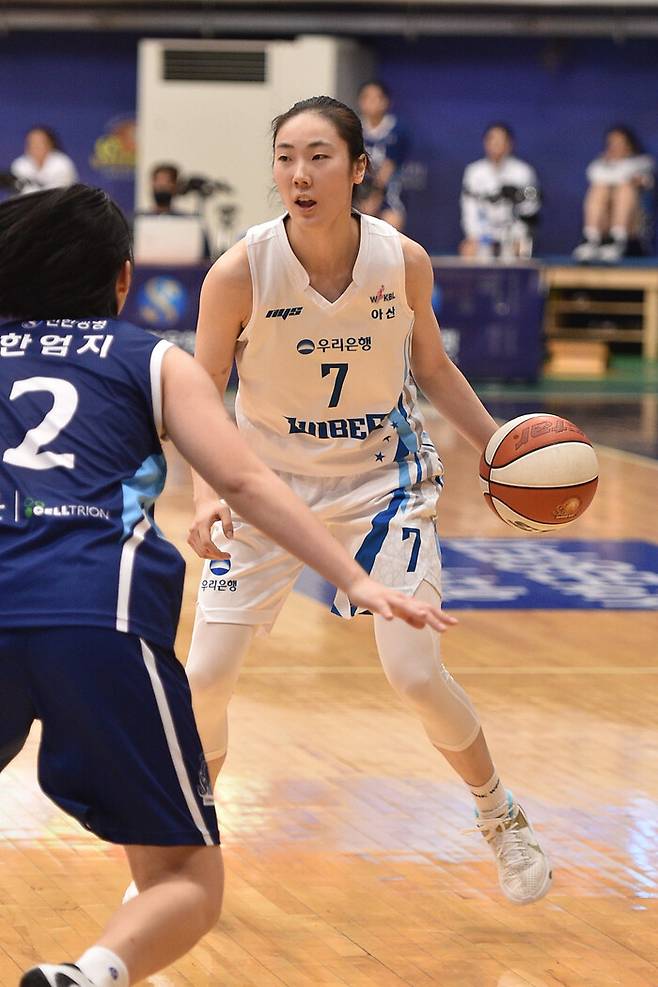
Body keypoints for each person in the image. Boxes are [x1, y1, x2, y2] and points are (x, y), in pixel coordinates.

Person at [0, 184, 448, 987]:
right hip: (98, 618)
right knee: (184, 879)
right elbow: (243, 479)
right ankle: (89, 975)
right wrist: (355, 576)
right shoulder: (152, 358)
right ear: (123, 280)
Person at [184, 95, 552, 908]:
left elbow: (434, 368)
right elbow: (202, 388)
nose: (299, 173)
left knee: (414, 671)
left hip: (382, 482)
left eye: (318, 156)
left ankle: (501, 815)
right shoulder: (239, 271)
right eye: (285, 156)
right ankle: (190, 843)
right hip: (264, 486)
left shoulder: (401, 259)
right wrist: (208, 493)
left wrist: (498, 449)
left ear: (358, 169)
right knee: (204, 676)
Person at [573, 125, 655, 262]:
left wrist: (616, 170)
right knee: (599, 189)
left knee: (625, 189)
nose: (615, 147)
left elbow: (627, 176)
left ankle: (618, 240)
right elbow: (594, 174)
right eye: (612, 143)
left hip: (633, 237)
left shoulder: (644, 162)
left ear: (629, 144)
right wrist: (609, 165)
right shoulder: (600, 164)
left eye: (619, 142)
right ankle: (591, 238)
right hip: (603, 234)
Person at [460, 123, 540, 259]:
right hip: (482, 237)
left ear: (509, 144)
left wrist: (519, 236)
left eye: (500, 140)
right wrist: (473, 236)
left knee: (522, 251)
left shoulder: (523, 172)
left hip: (513, 236)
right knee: (469, 251)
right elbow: (469, 208)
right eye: (492, 140)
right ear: (485, 143)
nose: (495, 144)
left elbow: (529, 210)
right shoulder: (474, 172)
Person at [356, 80, 408, 230]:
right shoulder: (353, 129)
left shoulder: (397, 131)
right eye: (367, 98)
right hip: (358, 191)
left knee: (392, 223)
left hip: (388, 192)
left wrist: (373, 199)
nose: (372, 102)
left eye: (377, 98)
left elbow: (387, 169)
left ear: (386, 102)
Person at [11, 126, 78, 194]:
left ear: (50, 144)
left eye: (40, 142)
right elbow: (21, 192)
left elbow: (58, 192)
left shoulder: (62, 163)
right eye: (31, 142)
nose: (35, 146)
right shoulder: (20, 164)